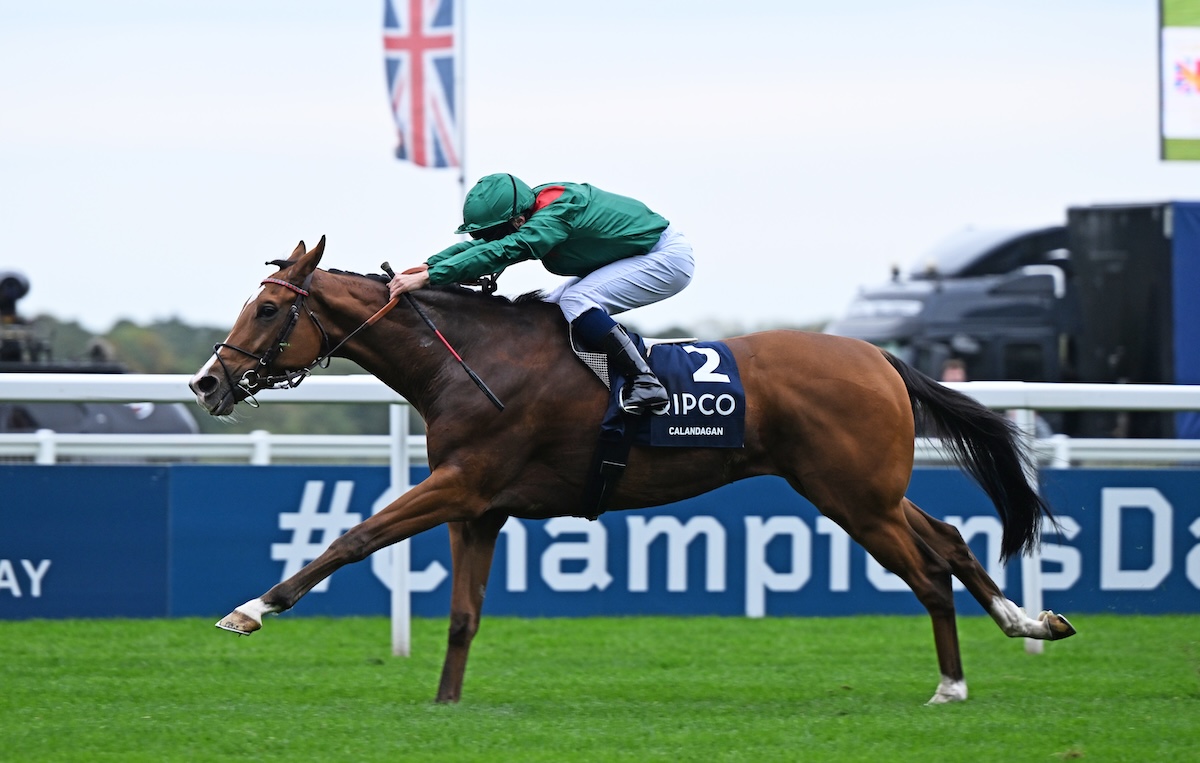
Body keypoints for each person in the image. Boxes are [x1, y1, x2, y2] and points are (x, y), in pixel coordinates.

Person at [387, 173, 695, 415]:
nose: (486, 240)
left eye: (491, 233)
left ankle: (646, 383)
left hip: (665, 258)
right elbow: (485, 246)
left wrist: (432, 278)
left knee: (576, 301)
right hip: (637, 255)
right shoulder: (528, 211)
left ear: (518, 221)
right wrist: (429, 265)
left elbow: (506, 248)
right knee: (548, 310)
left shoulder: (554, 215)